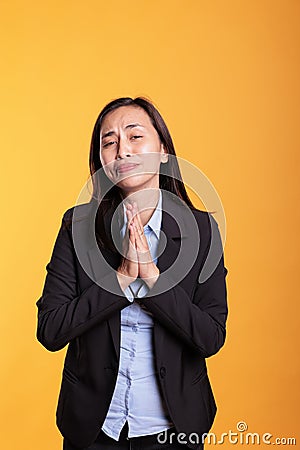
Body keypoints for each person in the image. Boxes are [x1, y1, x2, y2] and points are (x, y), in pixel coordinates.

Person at [36, 96, 228, 450]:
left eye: (135, 136)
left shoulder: (202, 232)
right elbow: (50, 330)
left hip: (175, 431)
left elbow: (211, 336)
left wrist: (154, 279)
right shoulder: (76, 227)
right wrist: (121, 279)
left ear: (164, 150)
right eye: (109, 142)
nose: (122, 150)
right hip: (94, 431)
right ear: (101, 161)